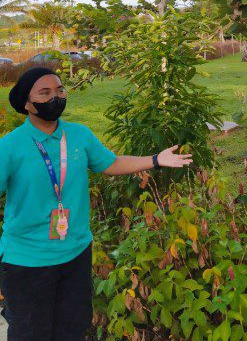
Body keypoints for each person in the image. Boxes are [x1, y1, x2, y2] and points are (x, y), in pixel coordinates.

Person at [0, 67, 193, 341]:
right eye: (45, 93)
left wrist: (155, 160)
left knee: (72, 329)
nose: (55, 97)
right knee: (31, 333)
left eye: (60, 90)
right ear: (27, 103)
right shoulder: (10, 146)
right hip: (28, 262)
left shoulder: (78, 136)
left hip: (76, 253)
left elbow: (111, 163)